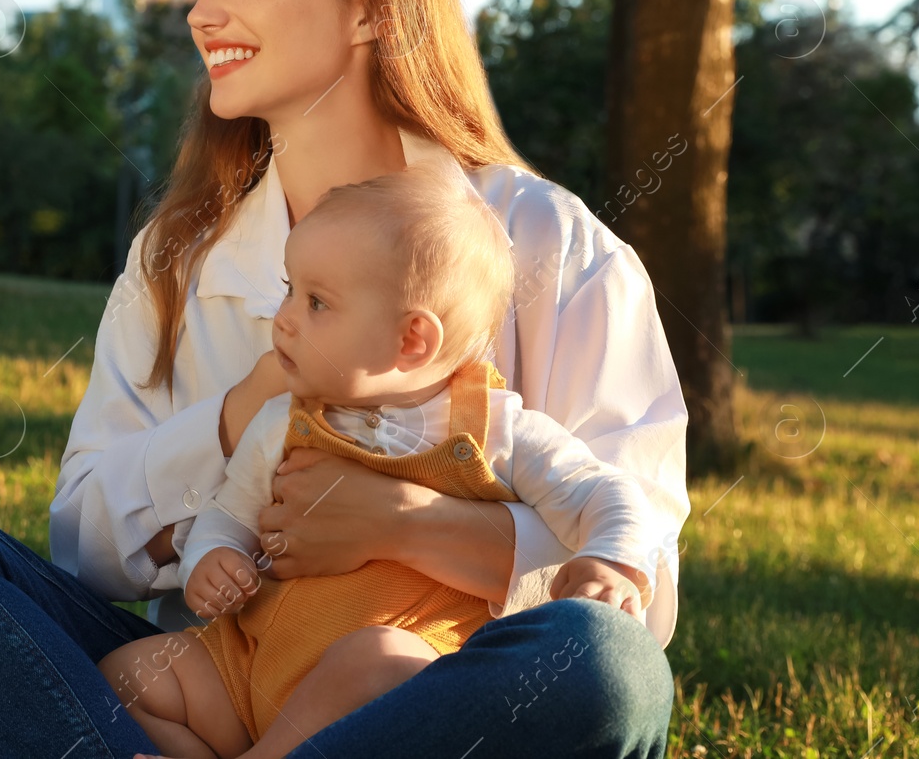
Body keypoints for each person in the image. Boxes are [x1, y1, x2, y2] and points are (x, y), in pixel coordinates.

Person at [0, 0, 689, 759]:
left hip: (423, 704)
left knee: (600, 667)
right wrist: (240, 415)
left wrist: (404, 529)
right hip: (210, 682)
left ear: (373, 4)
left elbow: (636, 585)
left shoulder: (547, 241)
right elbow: (85, 544)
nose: (201, 10)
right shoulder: (175, 255)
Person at [96, 161, 660, 759]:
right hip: (250, 672)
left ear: (412, 339)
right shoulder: (283, 421)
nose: (283, 317)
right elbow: (229, 511)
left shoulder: (497, 430)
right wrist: (214, 555)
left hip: (381, 705)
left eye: (316, 302)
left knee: (378, 658)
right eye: (290, 288)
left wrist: (611, 561)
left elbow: (606, 493)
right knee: (129, 678)